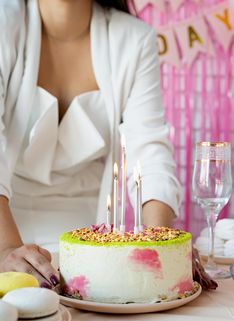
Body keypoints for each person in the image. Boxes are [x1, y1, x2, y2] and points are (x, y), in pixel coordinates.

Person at [0, 0, 216, 290]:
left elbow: (150, 153)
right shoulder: (4, 23)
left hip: (92, 257)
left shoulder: (135, 40)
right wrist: (5, 251)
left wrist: (158, 245)